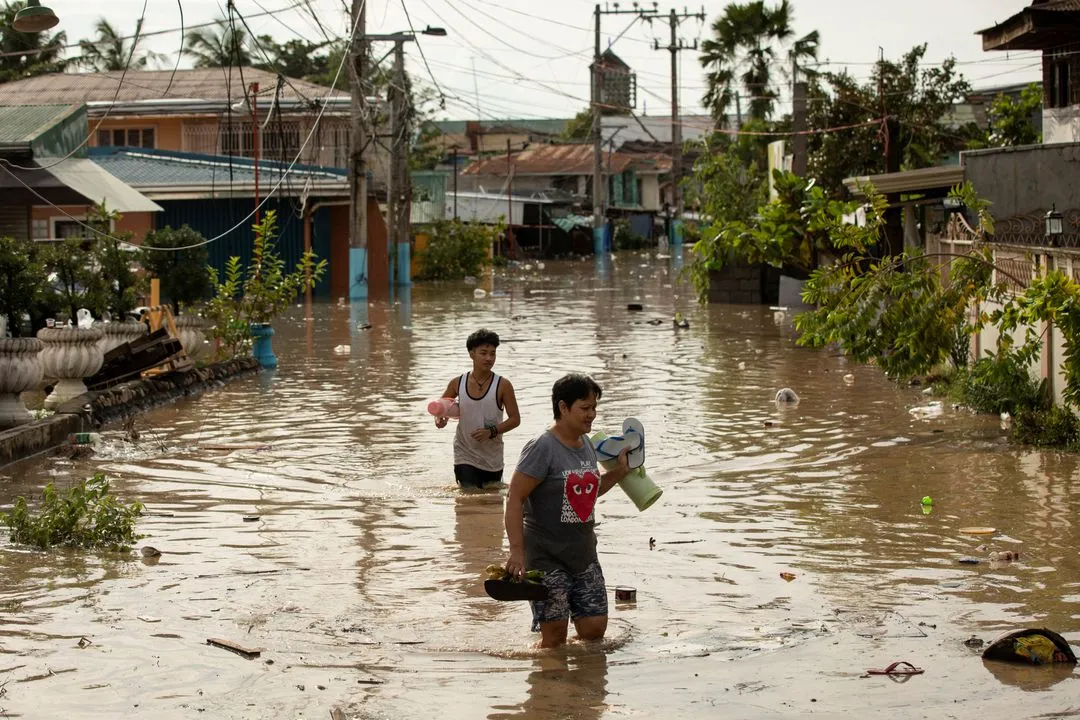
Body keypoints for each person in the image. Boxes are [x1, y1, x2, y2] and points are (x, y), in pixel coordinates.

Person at [503, 373, 630, 648]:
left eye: (594, 407)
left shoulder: (586, 444)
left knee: (594, 632)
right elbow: (514, 498)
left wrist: (620, 472)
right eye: (585, 408)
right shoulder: (542, 447)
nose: (592, 414)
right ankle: (550, 685)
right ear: (563, 407)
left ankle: (579, 683)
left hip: (583, 554)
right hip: (546, 557)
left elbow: (587, 492)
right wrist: (516, 551)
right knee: (555, 638)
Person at [435, 328, 520, 488]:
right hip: (464, 453)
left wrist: (491, 431)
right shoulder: (457, 383)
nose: (489, 358)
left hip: (492, 456)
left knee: (491, 501)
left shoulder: (503, 385)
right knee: (469, 496)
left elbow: (515, 420)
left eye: (493, 353)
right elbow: (441, 408)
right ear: (471, 354)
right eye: (483, 353)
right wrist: (441, 420)